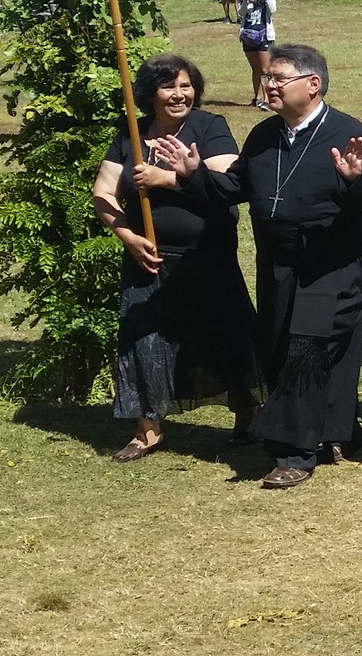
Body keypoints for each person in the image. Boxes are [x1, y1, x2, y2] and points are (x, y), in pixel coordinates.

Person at [151, 43, 362, 490]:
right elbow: (232, 188)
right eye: (268, 78)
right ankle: (338, 431)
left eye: (279, 78)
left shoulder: (347, 133)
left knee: (307, 350)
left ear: (313, 85)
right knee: (284, 349)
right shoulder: (264, 135)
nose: (269, 85)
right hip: (277, 266)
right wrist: (192, 174)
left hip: (331, 266)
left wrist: (355, 180)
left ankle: (293, 453)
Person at [92, 54, 261, 462]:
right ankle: (147, 430)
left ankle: (248, 413)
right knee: (143, 339)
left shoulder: (209, 127)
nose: (179, 94)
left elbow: (227, 184)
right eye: (169, 86)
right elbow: (103, 193)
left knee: (224, 335)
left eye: (186, 86)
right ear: (150, 93)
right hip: (148, 258)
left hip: (205, 255)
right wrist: (128, 237)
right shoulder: (132, 133)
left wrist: (166, 178)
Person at [238, 0, 276, 110]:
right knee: (256, 69)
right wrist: (248, 0)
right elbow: (241, 14)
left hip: (264, 36)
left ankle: (267, 99)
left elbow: (273, 9)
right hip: (249, 36)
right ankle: (257, 98)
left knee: (266, 70)